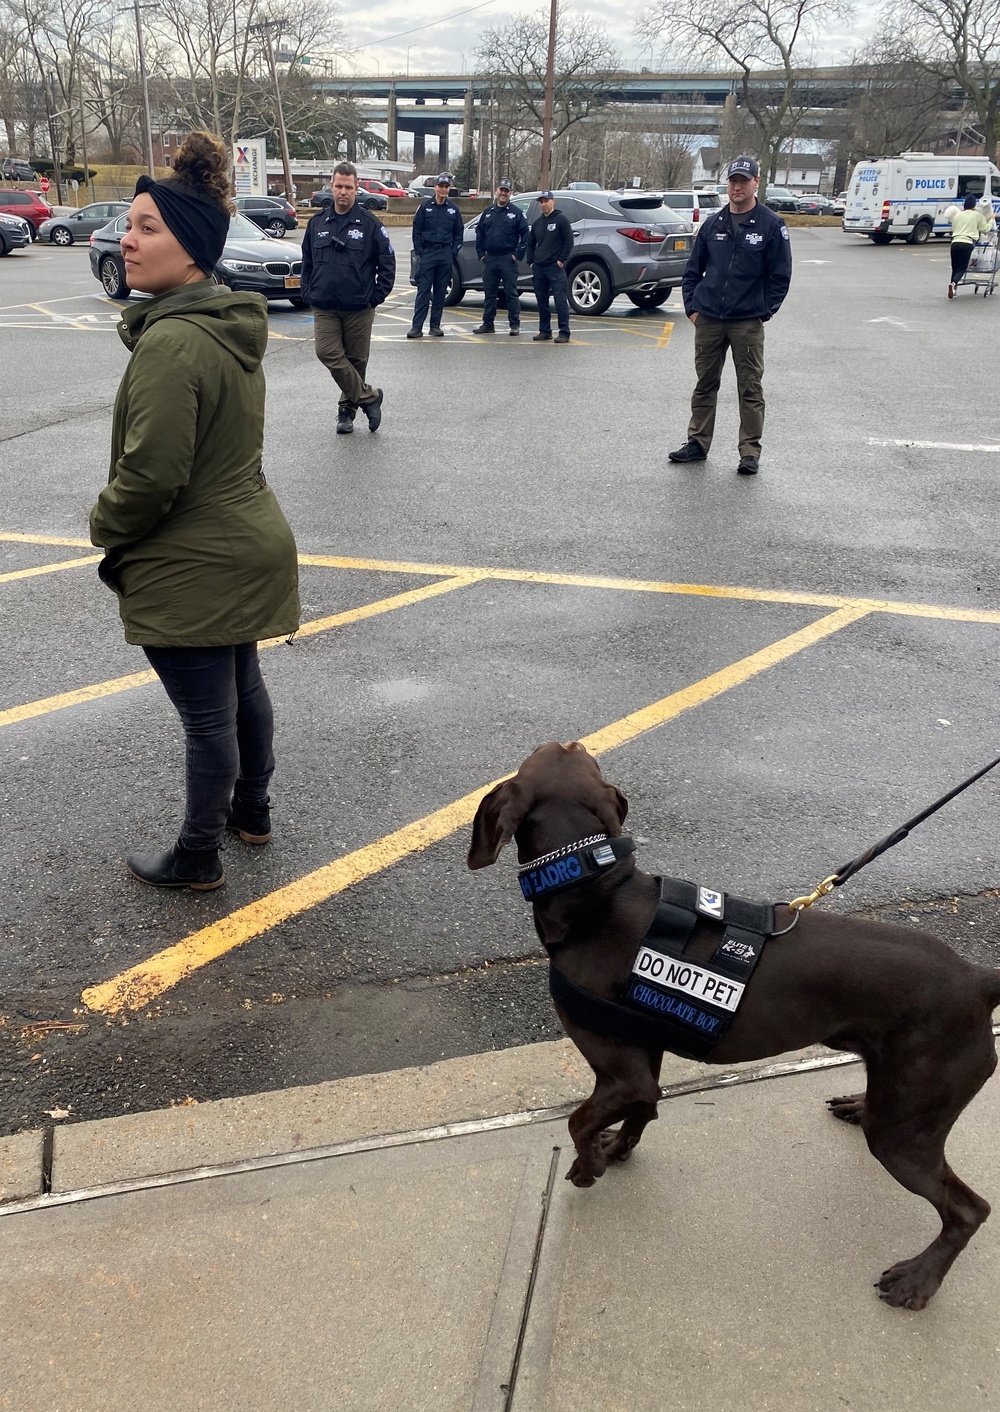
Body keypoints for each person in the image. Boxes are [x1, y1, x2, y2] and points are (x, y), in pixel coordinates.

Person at [89, 130, 300, 891]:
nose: (128, 240)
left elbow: (151, 475)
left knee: (209, 717)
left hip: (197, 558)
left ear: (191, 250)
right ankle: (254, 810)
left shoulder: (172, 343)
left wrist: (104, 525)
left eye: (148, 228)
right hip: (245, 538)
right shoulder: (224, 327)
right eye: (129, 225)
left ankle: (198, 852)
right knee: (241, 690)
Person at [669, 155, 792, 476]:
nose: (737, 187)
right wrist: (692, 309)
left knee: (750, 387)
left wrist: (764, 312)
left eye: (743, 181)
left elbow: (781, 276)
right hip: (708, 317)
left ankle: (749, 451)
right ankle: (697, 442)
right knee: (705, 383)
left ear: (756, 183)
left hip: (747, 321)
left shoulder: (771, 225)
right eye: (733, 181)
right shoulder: (713, 224)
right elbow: (692, 272)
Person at [301, 162, 396, 433]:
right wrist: (307, 292)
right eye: (339, 186)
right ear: (331, 186)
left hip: (358, 307)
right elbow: (307, 260)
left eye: (348, 187)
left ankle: (346, 412)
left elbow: (387, 262)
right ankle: (370, 397)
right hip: (325, 306)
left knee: (356, 361)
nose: (343, 192)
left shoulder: (370, 225)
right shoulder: (317, 223)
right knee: (327, 352)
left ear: (356, 189)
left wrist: (374, 297)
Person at [408, 173, 464, 338]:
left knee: (440, 293)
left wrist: (452, 252)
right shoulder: (425, 207)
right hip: (428, 253)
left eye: (446, 187)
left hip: (445, 254)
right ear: (435, 188)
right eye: (441, 186)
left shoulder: (453, 209)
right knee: (423, 292)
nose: (443, 189)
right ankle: (416, 327)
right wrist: (420, 252)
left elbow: (458, 233)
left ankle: (435, 326)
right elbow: (416, 230)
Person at [473, 179, 529, 335]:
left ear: (510, 193)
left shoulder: (516, 213)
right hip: (490, 259)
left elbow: (525, 235)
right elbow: (480, 233)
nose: (503, 193)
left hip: (507, 259)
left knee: (511, 292)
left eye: (507, 191)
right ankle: (488, 324)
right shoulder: (488, 212)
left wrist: (517, 255)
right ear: (497, 191)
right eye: (501, 190)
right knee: (489, 293)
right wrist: (481, 254)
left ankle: (514, 324)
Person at [527, 191, 573, 342]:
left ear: (553, 201)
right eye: (541, 201)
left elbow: (569, 242)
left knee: (560, 300)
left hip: (555, 267)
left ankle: (564, 331)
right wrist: (531, 261)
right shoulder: (537, 223)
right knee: (542, 301)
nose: (543, 204)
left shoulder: (561, 220)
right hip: (539, 267)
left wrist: (561, 259)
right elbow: (531, 243)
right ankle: (545, 330)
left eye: (546, 201)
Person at [945, 194, 996, 297]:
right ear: (974, 205)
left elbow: (953, 229)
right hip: (967, 243)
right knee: (962, 268)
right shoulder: (978, 216)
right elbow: (985, 229)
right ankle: (953, 284)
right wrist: (991, 219)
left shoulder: (958, 216)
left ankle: (953, 288)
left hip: (955, 242)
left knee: (955, 267)